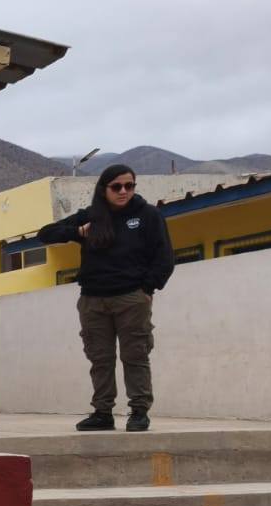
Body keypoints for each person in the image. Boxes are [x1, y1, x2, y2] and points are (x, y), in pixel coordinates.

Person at [38, 164, 174, 432]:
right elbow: (45, 234)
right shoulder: (90, 217)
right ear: (104, 189)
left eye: (130, 185)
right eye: (117, 187)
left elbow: (164, 257)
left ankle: (139, 411)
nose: (124, 191)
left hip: (131, 298)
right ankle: (102, 412)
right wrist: (76, 232)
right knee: (100, 358)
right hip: (93, 300)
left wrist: (147, 289)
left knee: (135, 354)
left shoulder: (148, 215)